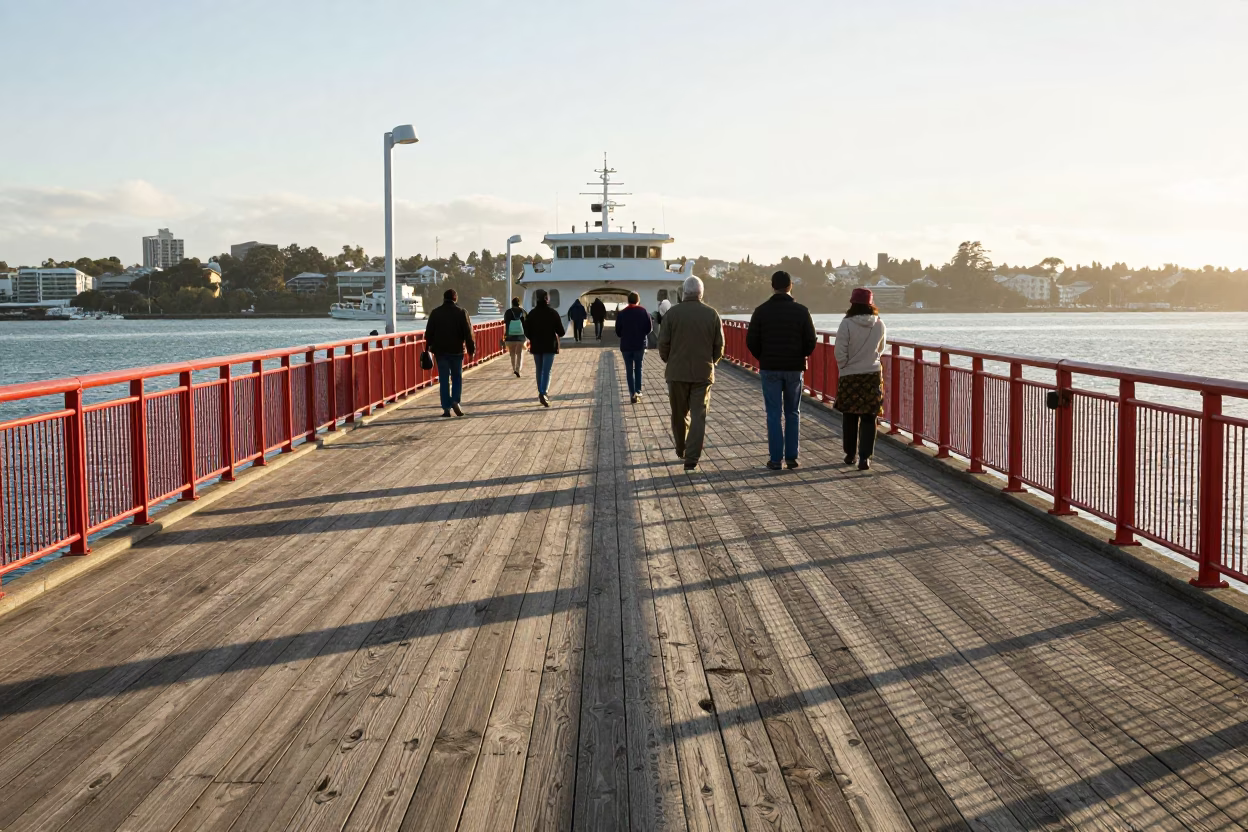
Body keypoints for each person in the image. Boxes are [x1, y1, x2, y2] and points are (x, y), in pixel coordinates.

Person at [746, 270, 817, 470]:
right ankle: (792, 457)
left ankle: (776, 459)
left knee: (773, 413)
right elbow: (811, 341)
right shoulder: (801, 311)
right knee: (793, 412)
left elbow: (751, 340)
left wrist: (763, 356)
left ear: (772, 286)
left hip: (770, 368)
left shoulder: (761, 311)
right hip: (794, 369)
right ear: (790, 286)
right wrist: (800, 355)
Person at [658, 276, 724, 471]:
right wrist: (712, 362)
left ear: (684, 293)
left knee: (678, 414)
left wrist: (669, 360)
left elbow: (663, 343)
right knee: (698, 415)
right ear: (701, 293)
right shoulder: (712, 314)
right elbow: (719, 346)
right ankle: (692, 457)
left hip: (677, 372)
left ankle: (681, 448)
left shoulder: (672, 314)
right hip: (702, 373)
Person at [834, 287, 888, 470]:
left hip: (850, 374)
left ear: (853, 304)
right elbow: (881, 349)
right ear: (871, 304)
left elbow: (839, 350)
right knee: (869, 416)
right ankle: (865, 458)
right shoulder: (879, 324)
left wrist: (845, 366)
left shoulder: (846, 323)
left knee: (849, 415)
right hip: (872, 374)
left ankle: (850, 454)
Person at [423, 288, 475, 417]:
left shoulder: (435, 313)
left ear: (444, 298)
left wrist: (427, 348)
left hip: (440, 352)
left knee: (444, 379)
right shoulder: (462, 312)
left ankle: (446, 408)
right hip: (457, 350)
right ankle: (455, 401)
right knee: (457, 377)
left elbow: (428, 333)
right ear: (455, 298)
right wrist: (471, 350)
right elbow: (468, 334)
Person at [523, 288, 566, 407]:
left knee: (539, 369)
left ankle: (540, 391)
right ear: (547, 299)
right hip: (549, 345)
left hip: (536, 345)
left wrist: (533, 337)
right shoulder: (553, 313)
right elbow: (561, 332)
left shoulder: (532, 314)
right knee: (546, 370)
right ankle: (543, 392)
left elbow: (526, 330)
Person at [614, 291, 653, 403]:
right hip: (639, 345)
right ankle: (638, 391)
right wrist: (641, 334)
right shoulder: (643, 311)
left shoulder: (622, 313)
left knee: (629, 370)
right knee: (638, 368)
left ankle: (632, 393)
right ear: (638, 300)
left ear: (628, 300)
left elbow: (618, 332)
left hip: (626, 346)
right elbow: (649, 328)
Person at [502, 297, 527, 377]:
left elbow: (505, 323)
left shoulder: (508, 312)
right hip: (521, 336)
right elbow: (527, 323)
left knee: (512, 353)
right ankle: (517, 369)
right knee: (519, 353)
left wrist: (505, 335)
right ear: (519, 303)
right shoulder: (523, 312)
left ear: (512, 303)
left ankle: (514, 369)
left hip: (510, 336)